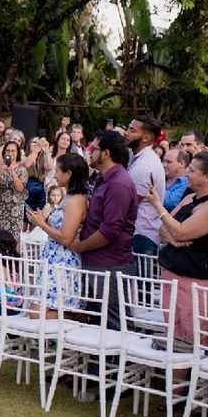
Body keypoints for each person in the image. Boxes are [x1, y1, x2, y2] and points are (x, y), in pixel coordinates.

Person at [147, 152, 208, 352]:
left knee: (195, 340)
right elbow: (163, 229)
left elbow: (179, 230)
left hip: (197, 282)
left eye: (192, 170)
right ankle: (174, 380)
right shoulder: (190, 198)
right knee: (174, 337)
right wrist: (175, 240)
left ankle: (192, 381)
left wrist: (158, 206)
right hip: (172, 274)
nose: (186, 173)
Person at [70, 131, 138, 331]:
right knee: (97, 322)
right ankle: (96, 362)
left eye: (94, 149)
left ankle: (116, 362)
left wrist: (79, 246)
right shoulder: (105, 178)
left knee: (115, 324)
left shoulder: (119, 183)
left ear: (106, 153)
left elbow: (110, 231)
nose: (90, 153)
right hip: (97, 262)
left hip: (110, 264)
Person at [27, 153, 89, 318]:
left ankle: (79, 316)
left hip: (64, 261)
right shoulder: (66, 196)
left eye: (58, 171)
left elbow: (66, 238)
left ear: (68, 174)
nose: (55, 175)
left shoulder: (76, 200)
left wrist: (42, 224)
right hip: (53, 259)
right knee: (34, 311)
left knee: (36, 314)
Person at [126, 115, 167, 256]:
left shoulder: (144, 165)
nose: (126, 133)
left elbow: (129, 203)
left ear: (146, 138)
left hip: (141, 235)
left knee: (137, 278)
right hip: (140, 234)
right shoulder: (139, 158)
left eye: (132, 130)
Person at [0, 140, 28, 243]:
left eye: (13, 151)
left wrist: (13, 172)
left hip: (14, 209)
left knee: (13, 239)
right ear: (4, 152)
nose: (10, 153)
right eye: (8, 150)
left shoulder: (22, 170)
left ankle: (11, 259)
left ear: (18, 153)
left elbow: (20, 188)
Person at [23, 138, 50, 231]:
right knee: (22, 227)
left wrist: (46, 152)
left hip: (39, 197)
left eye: (39, 143)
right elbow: (26, 164)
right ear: (29, 144)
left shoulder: (42, 159)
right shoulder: (23, 156)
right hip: (25, 197)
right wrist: (35, 151)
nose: (37, 144)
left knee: (34, 229)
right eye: (34, 142)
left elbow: (51, 168)